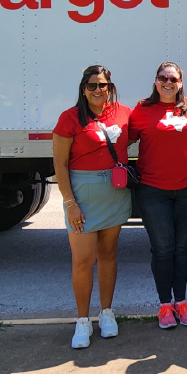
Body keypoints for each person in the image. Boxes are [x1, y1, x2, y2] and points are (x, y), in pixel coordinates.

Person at [52, 65, 133, 349]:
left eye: (103, 85)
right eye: (92, 86)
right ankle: (83, 320)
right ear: (83, 89)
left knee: (108, 255)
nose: (98, 90)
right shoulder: (70, 118)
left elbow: (133, 137)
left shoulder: (124, 112)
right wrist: (70, 203)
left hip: (114, 193)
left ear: (110, 87)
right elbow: (60, 164)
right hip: (82, 195)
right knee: (83, 261)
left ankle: (107, 312)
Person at [128, 61, 187, 329]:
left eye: (173, 78)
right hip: (153, 190)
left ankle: (181, 301)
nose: (168, 82)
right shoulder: (142, 109)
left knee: (182, 247)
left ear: (180, 82)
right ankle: (164, 305)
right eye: (163, 78)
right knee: (163, 248)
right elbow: (123, 141)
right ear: (155, 81)